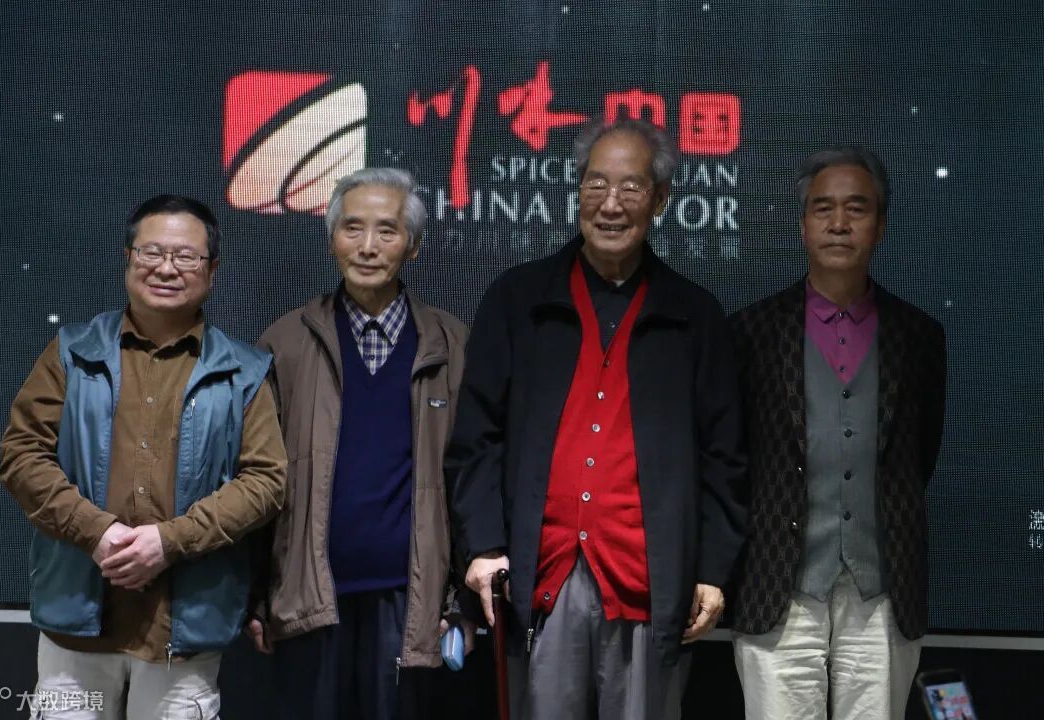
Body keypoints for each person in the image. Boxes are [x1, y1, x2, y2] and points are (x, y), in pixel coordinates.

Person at [445, 118, 748, 719]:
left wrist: (712, 571)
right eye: (596, 184)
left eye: (631, 187)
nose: (611, 204)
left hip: (650, 581)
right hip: (542, 576)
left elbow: (726, 459)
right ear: (577, 189)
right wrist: (482, 546)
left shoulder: (695, 316)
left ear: (660, 199)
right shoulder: (518, 299)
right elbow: (476, 440)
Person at [0, 195, 287, 719]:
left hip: (185, 629)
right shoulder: (71, 352)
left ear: (212, 270)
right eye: (152, 252)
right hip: (76, 627)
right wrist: (97, 532)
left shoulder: (245, 371)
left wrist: (169, 542)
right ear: (128, 258)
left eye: (186, 256)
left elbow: (265, 482)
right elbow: (22, 455)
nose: (167, 268)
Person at [730, 148, 947, 719]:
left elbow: (920, 456)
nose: (839, 223)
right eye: (823, 208)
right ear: (803, 224)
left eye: (857, 208)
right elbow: (733, 458)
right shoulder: (751, 332)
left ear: (881, 225)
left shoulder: (920, 337)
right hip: (778, 582)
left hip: (883, 586)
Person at [251, 168, 470, 720]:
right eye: (352, 228)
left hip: (410, 599)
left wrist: (459, 601)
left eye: (387, 231)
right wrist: (256, 594)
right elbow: (255, 480)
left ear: (413, 246)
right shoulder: (284, 342)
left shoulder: (453, 345)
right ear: (332, 238)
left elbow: (471, 479)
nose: (367, 246)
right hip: (310, 597)